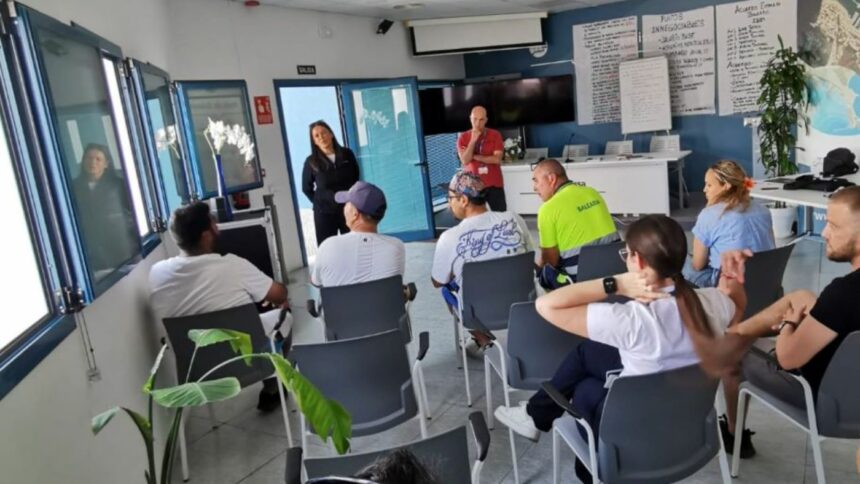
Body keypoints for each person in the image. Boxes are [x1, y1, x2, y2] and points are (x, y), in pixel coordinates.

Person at [493, 214, 745, 483]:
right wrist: (732, 281)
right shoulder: (714, 302)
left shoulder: (629, 321)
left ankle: (571, 451)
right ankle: (534, 415)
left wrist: (615, 283)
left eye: (626, 253)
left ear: (636, 260)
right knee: (588, 352)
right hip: (685, 429)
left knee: (584, 389)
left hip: (633, 435)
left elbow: (546, 305)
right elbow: (738, 306)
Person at [719, 185, 860, 458]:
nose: (825, 233)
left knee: (738, 352)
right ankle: (734, 332)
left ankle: (735, 433)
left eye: (833, 226)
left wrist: (788, 326)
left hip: (827, 404)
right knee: (802, 296)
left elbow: (786, 358)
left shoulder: (843, 293)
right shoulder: (842, 298)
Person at [149, 201, 293, 411]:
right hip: (247, 361)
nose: (218, 228)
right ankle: (272, 386)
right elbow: (280, 293)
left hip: (198, 371)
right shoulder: (233, 266)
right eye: (214, 224)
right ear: (206, 234)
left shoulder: (157, 273)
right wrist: (273, 298)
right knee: (284, 315)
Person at [431, 170, 534, 356]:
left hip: (479, 314)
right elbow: (530, 255)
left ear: (463, 200)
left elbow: (437, 280)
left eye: (450, 197)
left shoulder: (449, 238)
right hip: (522, 305)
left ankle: (483, 338)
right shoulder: (514, 219)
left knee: (447, 289)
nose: (448, 203)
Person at [683, 160, 774, 287]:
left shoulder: (709, 215)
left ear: (726, 185)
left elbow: (698, 265)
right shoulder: (764, 211)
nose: (704, 190)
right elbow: (770, 247)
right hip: (766, 281)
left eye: (709, 185)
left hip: (728, 284)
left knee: (683, 261)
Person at [531, 158, 619, 289]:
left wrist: (536, 269)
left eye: (536, 181)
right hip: (616, 269)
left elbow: (550, 261)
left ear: (551, 178)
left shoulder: (547, 209)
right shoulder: (592, 193)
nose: (534, 188)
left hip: (582, 281)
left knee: (542, 274)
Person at [311, 181, 404, 287]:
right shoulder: (396, 247)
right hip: (382, 303)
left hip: (341, 304)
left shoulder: (328, 246)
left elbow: (316, 282)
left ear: (355, 214)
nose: (344, 207)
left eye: (347, 203)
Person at [72, 143, 138, 276]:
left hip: (121, 250)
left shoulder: (118, 185)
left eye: (98, 159)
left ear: (106, 163)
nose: (92, 162)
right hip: (92, 254)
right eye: (89, 158)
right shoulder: (74, 187)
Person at [302, 120, 360, 245]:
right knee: (327, 248)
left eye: (324, 133)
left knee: (353, 245)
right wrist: (321, 201)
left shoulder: (347, 154)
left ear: (331, 134)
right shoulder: (311, 162)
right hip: (324, 213)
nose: (321, 137)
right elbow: (306, 188)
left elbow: (355, 178)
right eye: (317, 136)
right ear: (314, 141)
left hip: (348, 209)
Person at [457, 106, 506, 211]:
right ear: (470, 118)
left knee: (500, 215)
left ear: (486, 120)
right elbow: (465, 160)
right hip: (473, 185)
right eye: (475, 119)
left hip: (494, 184)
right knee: (475, 216)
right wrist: (473, 141)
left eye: (481, 120)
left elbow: (497, 159)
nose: (477, 124)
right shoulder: (463, 137)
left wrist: (474, 156)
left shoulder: (495, 135)